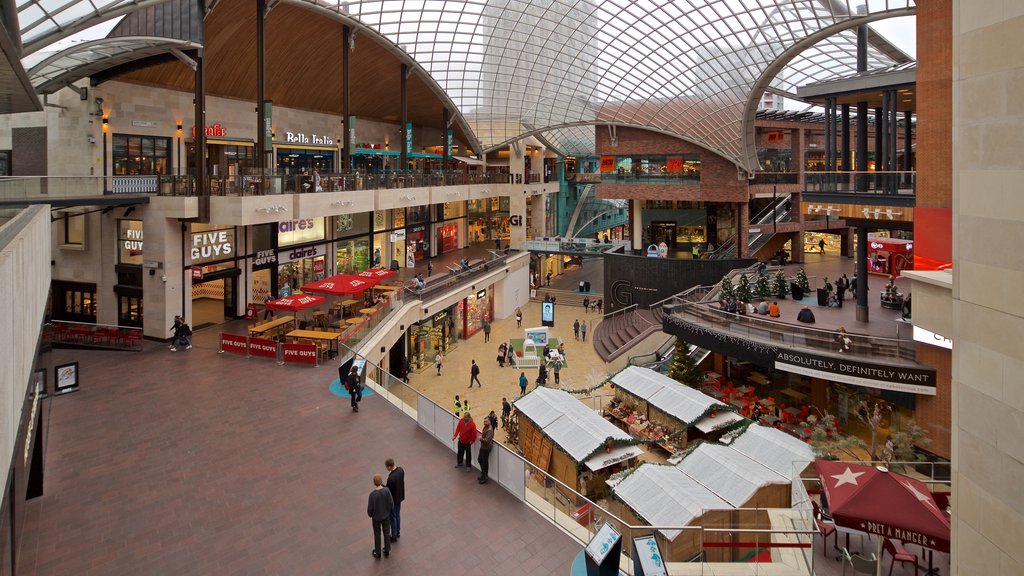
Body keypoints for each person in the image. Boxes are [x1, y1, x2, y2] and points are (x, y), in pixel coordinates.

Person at [367, 473, 394, 559]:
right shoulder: (387, 490)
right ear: (381, 481)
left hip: (376, 518)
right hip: (386, 516)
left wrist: (371, 514)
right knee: (386, 532)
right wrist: (389, 510)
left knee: (377, 533)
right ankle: (387, 550)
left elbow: (370, 509)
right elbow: (391, 503)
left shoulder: (372, 495)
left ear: (374, 483)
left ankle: (377, 552)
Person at [384, 458, 405, 542]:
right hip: (399, 496)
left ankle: (394, 535)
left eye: (386, 467)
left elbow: (388, 491)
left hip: (393, 500)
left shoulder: (391, 478)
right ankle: (398, 531)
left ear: (389, 467)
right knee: (397, 514)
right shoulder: (401, 470)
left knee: (392, 517)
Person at [477, 419, 494, 484]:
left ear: (489, 422)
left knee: (484, 462)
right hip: (483, 447)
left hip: (486, 448)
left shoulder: (489, 430)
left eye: (486, 421)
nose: (485, 422)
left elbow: (487, 440)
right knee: (480, 460)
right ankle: (483, 474)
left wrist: (480, 438)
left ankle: (484, 476)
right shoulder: (486, 427)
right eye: (484, 421)